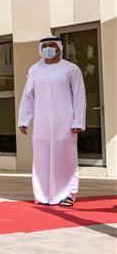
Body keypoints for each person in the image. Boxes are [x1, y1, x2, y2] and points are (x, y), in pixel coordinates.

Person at [18, 37, 86, 207]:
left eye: (52, 46)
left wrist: (78, 122)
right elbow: (28, 96)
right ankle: (42, 195)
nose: (48, 48)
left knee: (66, 158)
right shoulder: (34, 70)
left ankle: (68, 194)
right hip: (42, 122)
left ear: (59, 48)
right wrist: (24, 119)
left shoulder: (71, 69)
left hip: (65, 123)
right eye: (45, 46)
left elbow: (79, 96)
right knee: (41, 158)